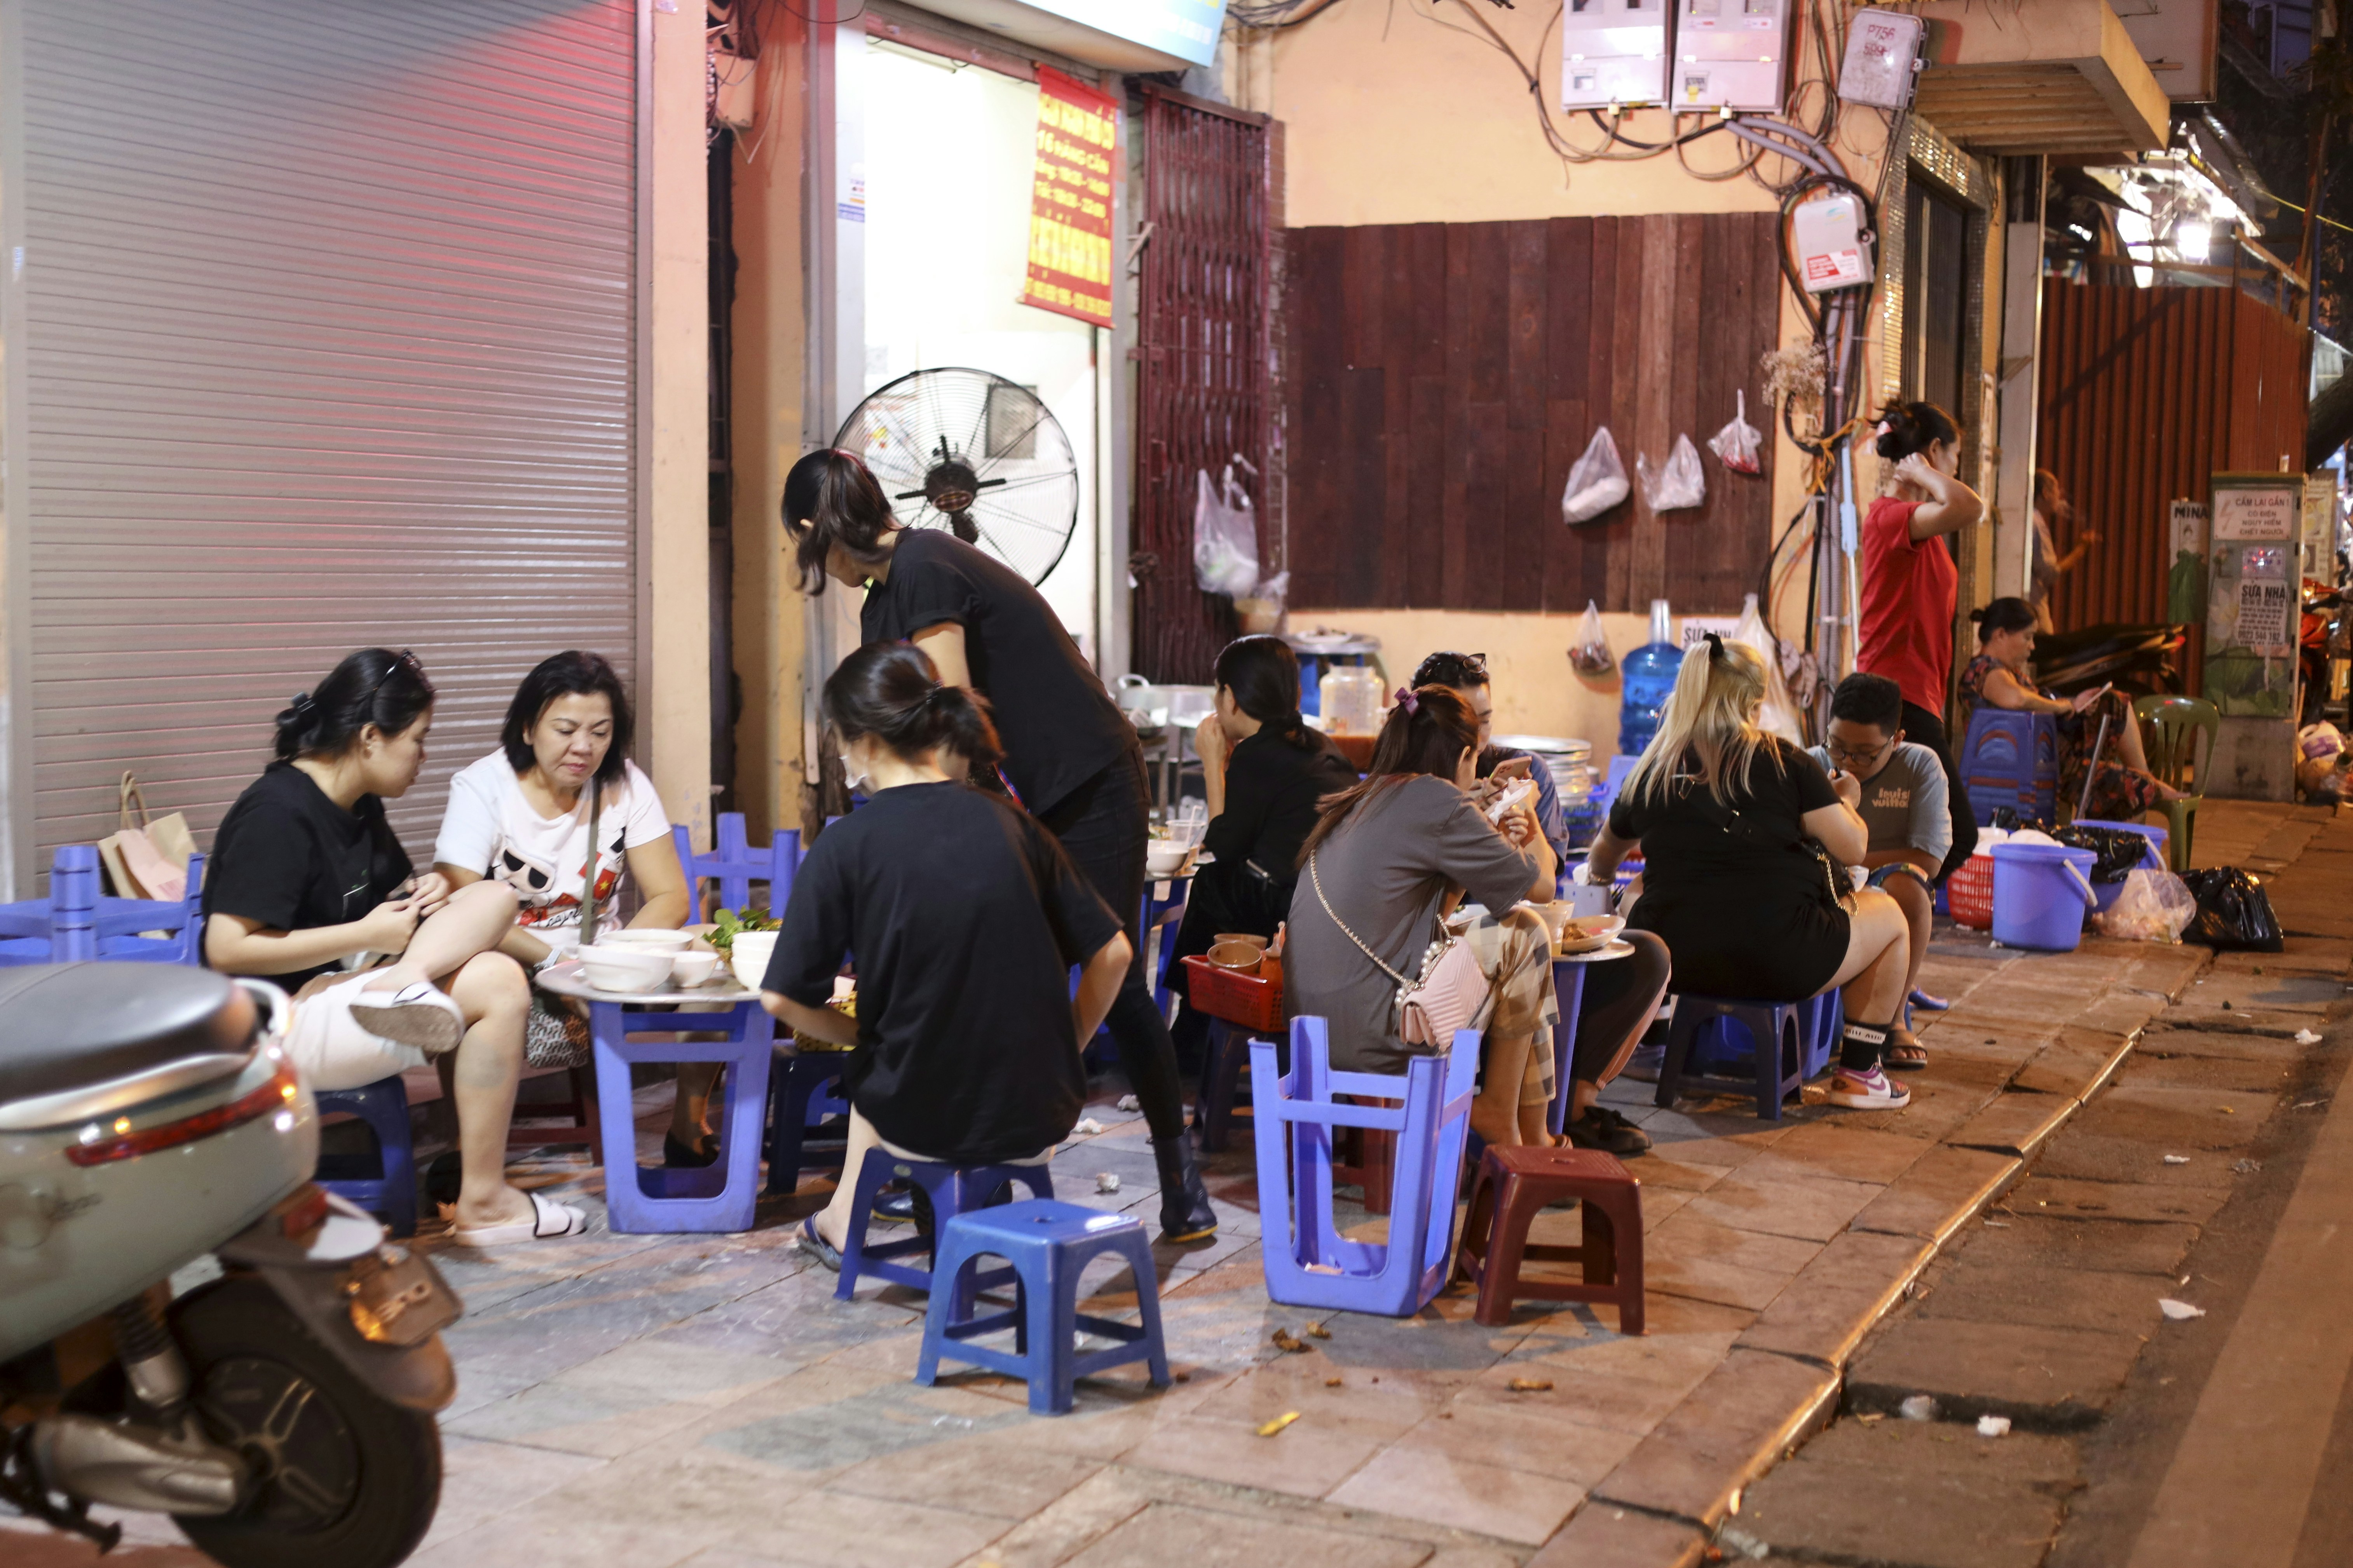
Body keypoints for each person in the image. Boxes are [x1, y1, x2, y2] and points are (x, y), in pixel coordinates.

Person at [783, 448, 1216, 1243]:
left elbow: (948, 718)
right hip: (1017, 796)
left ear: (813, 531)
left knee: (1110, 966)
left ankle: (1181, 1180)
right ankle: (941, 1171)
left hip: (1084, 778)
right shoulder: (888, 591)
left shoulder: (924, 565)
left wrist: (945, 836)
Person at [757, 643, 1131, 1265]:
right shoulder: (1017, 826)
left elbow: (781, 997)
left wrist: (857, 1031)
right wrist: (1068, 1042)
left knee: (884, 1051)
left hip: (924, 1116)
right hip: (1044, 1109)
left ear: (864, 743)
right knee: (911, 1040)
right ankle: (925, 1216)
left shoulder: (847, 843)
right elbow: (1115, 955)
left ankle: (844, 1219)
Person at [204, 648, 585, 1244]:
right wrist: (367, 936)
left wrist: (426, 894)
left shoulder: (358, 808)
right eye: (417, 739)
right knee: (496, 980)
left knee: (494, 902)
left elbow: (395, 907)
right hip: (278, 1024)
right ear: (370, 738)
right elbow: (226, 949)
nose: (423, 757)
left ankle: (478, 1188)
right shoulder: (277, 812)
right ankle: (482, 1199)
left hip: (353, 987)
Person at [1584, 637, 1915, 1110]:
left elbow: (1600, 862)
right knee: (1890, 916)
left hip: (1678, 963)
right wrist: (1846, 801)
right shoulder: (1788, 763)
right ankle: (1861, 1072)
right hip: (1781, 958)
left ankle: (1653, 1042)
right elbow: (1854, 847)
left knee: (1636, 891)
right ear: (1754, 700)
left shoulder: (1653, 771)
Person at [433, 652, 703, 1163]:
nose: (584, 747)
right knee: (474, 970)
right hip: (514, 962)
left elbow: (671, 897)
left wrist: (610, 963)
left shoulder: (624, 784)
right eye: (566, 729)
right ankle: (463, 1151)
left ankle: (688, 1126)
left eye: (600, 732)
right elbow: (459, 902)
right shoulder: (483, 788)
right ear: (529, 727)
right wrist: (556, 964)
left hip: (605, 962)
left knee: (710, 947)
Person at [1286, 685, 1564, 1149]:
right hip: (1380, 1033)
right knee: (1525, 936)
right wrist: (1528, 818)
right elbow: (1542, 888)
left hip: (1314, 1029)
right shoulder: (1438, 799)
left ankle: (1535, 1140)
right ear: (1464, 754)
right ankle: (1502, 1115)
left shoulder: (1366, 793)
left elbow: (1427, 914)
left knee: (1508, 949)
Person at [1171, 635, 1359, 1070]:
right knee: (1225, 884)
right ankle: (1194, 1031)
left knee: (1212, 884)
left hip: (1288, 911)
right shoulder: (1317, 743)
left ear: (1230, 698)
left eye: (1217, 692)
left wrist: (1213, 765)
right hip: (1335, 905)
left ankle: (1192, 1035)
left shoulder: (1257, 755)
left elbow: (1225, 848)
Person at [1858, 401, 1983, 880]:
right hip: (1897, 697)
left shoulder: (1917, 526)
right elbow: (1970, 506)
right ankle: (1860, 893)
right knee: (1956, 835)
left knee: (1911, 833)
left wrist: (1926, 476)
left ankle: (1879, 913)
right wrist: (1925, 473)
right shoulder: (1889, 518)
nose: (1956, 470)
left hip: (1913, 697)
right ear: (1933, 452)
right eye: (1953, 457)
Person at [1806, 673, 1950, 1068]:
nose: (1848, 761)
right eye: (1837, 746)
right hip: (1821, 882)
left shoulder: (1920, 766)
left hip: (1885, 883)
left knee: (1909, 886)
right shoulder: (1809, 765)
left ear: (1897, 740)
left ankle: (1894, 1017)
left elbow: (1929, 858)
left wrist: (1847, 847)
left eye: (1865, 753)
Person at [1954, 597, 2179, 822]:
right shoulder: (1984, 670)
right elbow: (2017, 699)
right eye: (2027, 638)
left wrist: (2075, 703)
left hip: (2049, 757)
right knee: (2137, 789)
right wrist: (2065, 706)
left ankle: (2142, 779)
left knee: (2113, 704)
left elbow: (2033, 700)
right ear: (2000, 634)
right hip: (2031, 767)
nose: (2032, 646)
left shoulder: (2009, 672)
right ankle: (2144, 789)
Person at [1411, 650, 1570, 863]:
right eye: (1462, 725)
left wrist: (1519, 810)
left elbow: (1546, 880)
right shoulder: (1408, 781)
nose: (1476, 737)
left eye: (1484, 721)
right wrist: (1464, 818)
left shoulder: (1528, 774)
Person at [2030, 469, 2100, 633]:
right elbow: (2050, 572)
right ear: (2045, 494)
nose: (2059, 497)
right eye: (2056, 490)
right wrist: (2081, 549)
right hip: (2034, 609)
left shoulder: (2029, 519)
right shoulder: (2037, 524)